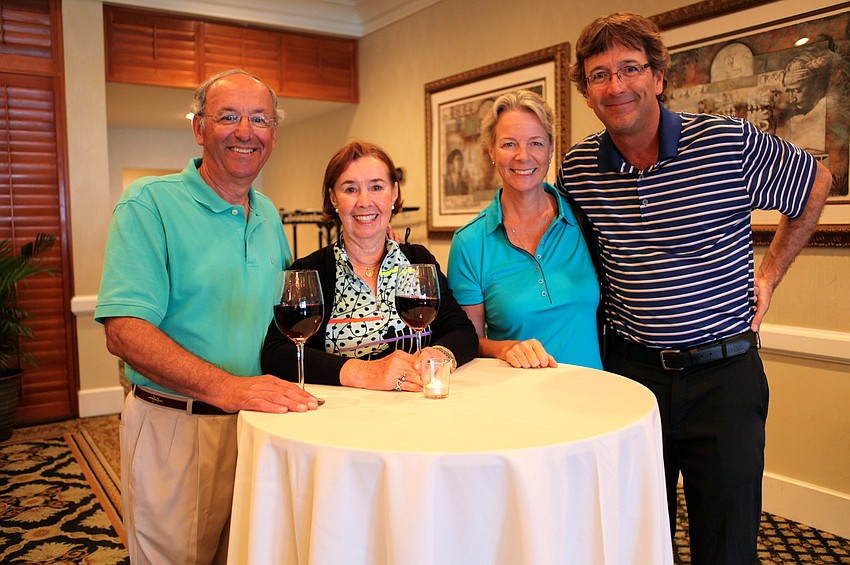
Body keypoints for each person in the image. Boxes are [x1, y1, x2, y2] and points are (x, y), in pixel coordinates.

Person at [558, 12, 832, 564]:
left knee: (726, 548)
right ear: (586, 93)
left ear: (659, 76)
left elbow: (816, 183)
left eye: (630, 68)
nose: (616, 86)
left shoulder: (726, 142)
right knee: (633, 538)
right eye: (599, 75)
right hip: (630, 379)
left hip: (724, 379)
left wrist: (770, 274)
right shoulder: (579, 169)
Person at [94, 69, 320, 565]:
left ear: (274, 135)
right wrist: (228, 387)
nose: (246, 131)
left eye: (259, 119)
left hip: (258, 427)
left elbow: (284, 318)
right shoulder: (148, 204)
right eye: (229, 117)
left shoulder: (267, 215)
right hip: (177, 426)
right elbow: (125, 333)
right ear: (198, 128)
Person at [261, 140, 477, 390]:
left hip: (418, 410)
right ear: (333, 197)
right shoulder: (311, 271)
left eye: (376, 187)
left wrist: (439, 355)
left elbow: (462, 331)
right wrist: (363, 372)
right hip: (343, 420)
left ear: (394, 193)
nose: (364, 201)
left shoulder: (418, 261)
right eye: (350, 189)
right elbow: (276, 354)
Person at [447, 90, 602, 370]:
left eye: (536, 143)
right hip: (520, 405)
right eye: (509, 144)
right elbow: (467, 339)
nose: (523, 156)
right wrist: (506, 348)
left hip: (596, 398)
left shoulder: (583, 218)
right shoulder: (470, 243)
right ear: (491, 151)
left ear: (551, 149)